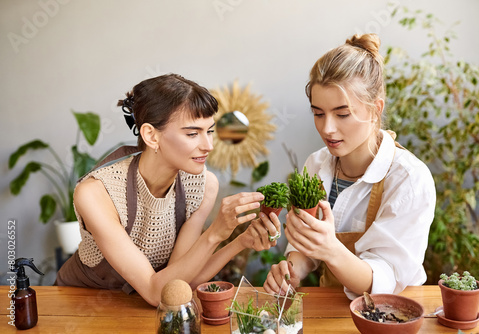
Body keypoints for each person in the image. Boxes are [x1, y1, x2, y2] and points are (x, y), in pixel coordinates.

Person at [56, 74, 281, 306]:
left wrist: (241, 241)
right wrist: (215, 232)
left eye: (209, 131)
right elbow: (156, 293)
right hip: (81, 302)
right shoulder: (96, 192)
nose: (208, 145)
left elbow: (181, 282)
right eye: (193, 133)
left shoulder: (202, 186)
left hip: (142, 307)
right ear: (151, 136)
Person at [263, 34, 436, 299]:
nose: (327, 128)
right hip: (332, 310)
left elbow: (384, 279)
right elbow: (307, 249)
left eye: (342, 114)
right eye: (318, 113)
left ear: (375, 110)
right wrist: (293, 270)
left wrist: (331, 248)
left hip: (391, 314)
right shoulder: (316, 165)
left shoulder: (409, 179)